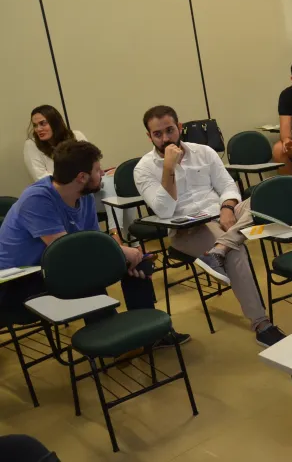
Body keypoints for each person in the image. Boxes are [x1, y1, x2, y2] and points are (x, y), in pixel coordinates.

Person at [0, 140, 189, 348]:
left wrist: (125, 257)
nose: (102, 174)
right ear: (82, 177)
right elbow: (66, 252)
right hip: (19, 283)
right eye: (98, 170)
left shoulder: (85, 196)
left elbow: (92, 243)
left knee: (138, 262)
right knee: (90, 271)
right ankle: (111, 339)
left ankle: (148, 337)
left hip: (58, 269)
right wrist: (119, 253)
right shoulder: (36, 199)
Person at [134, 106, 286, 348]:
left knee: (266, 198)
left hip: (221, 215)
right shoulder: (144, 168)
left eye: (170, 131)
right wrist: (168, 168)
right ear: (149, 137)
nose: (165, 139)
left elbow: (228, 185)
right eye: (158, 134)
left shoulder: (204, 152)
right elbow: (163, 210)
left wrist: (227, 208)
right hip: (187, 228)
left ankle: (218, 250)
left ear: (180, 128)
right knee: (236, 250)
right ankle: (261, 324)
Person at [22, 105, 133, 236]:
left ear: (55, 122)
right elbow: (42, 178)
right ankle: (121, 239)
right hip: (64, 197)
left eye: (42, 123)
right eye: (35, 125)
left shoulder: (76, 135)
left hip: (86, 191)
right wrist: (79, 178)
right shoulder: (31, 145)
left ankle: (119, 237)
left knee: (115, 186)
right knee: (114, 193)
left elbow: (92, 164)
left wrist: (99, 173)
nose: (38, 129)